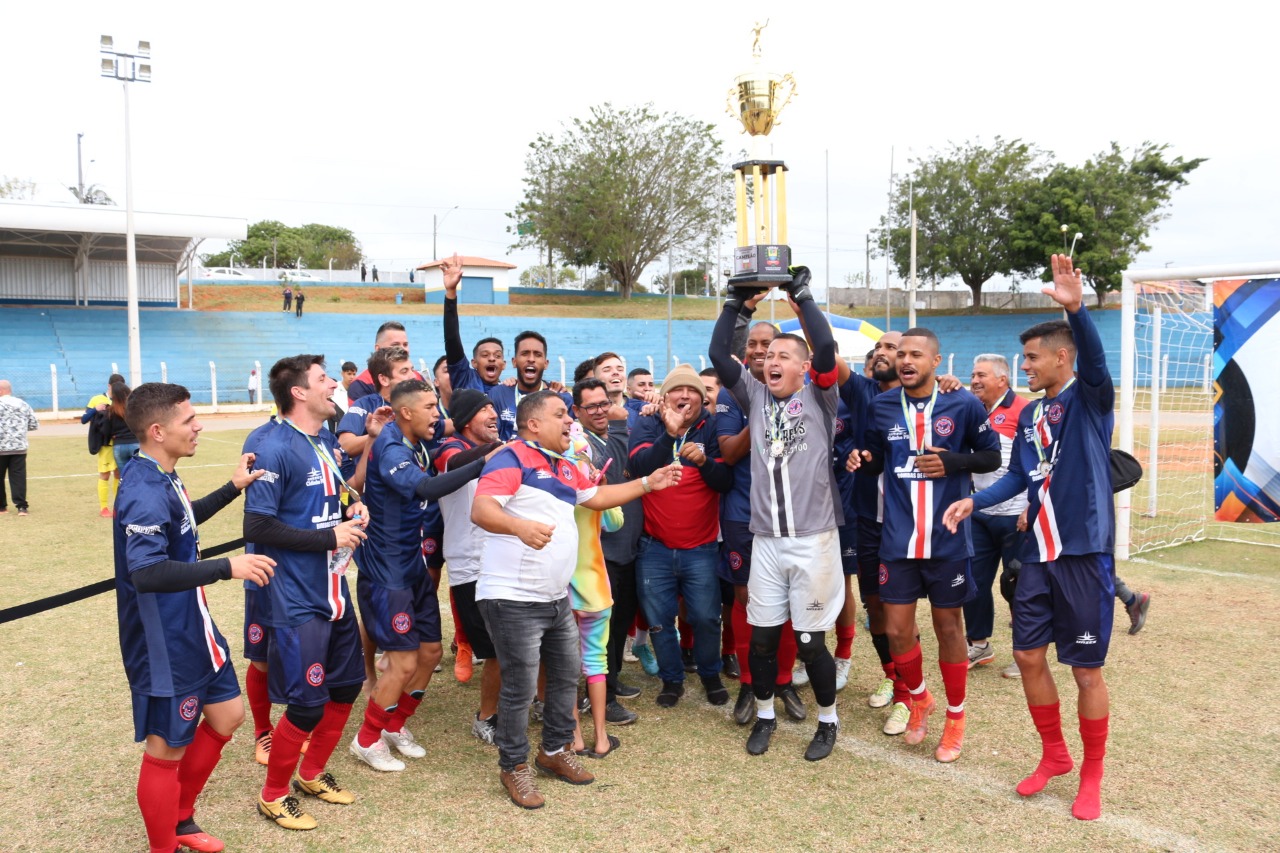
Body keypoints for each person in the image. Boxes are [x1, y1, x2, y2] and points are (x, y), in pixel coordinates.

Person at [943, 255, 1119, 820]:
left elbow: (1094, 360)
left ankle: (1091, 774)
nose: (1026, 368)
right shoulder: (1032, 415)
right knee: (1025, 655)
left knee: (1086, 669)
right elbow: (1020, 475)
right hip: (1037, 552)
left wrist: (1075, 307)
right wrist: (976, 498)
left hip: (1084, 553)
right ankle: (1055, 755)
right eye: (1023, 360)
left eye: (1032, 358)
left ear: (1062, 358)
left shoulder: (1089, 401)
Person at [471, 390, 681, 809]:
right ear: (533, 424)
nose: (571, 421)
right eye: (561, 415)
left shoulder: (565, 466)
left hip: (554, 597)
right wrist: (519, 527)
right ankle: (513, 767)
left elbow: (596, 498)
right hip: (512, 597)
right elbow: (482, 509)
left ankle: (552, 751)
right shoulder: (511, 458)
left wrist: (647, 483)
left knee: (567, 678)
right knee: (520, 687)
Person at [113, 382, 275, 853]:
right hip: (164, 640)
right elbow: (146, 572)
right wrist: (228, 567)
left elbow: (182, 519)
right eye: (189, 420)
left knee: (227, 716)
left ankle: (181, 820)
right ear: (159, 430)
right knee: (166, 748)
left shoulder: (163, 473)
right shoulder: (142, 488)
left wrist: (233, 488)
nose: (199, 425)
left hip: (193, 625)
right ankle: (163, 845)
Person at [709, 269, 847, 761]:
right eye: (767, 357)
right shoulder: (754, 396)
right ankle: (765, 714)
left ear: (804, 368)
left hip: (814, 540)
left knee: (810, 641)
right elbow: (716, 356)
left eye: (783, 356)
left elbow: (826, 349)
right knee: (764, 638)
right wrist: (736, 304)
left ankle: (827, 722)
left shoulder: (821, 396)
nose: (771, 361)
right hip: (765, 540)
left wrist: (802, 296)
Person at [851, 326, 1000, 764]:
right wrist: (863, 460)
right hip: (897, 537)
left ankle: (955, 716)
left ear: (937, 362)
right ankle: (919, 699)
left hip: (947, 538)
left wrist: (953, 461)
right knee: (897, 629)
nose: (906, 360)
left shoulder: (963, 402)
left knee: (948, 627)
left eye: (916, 354)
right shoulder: (881, 405)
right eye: (902, 354)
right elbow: (878, 455)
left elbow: (990, 457)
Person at [244, 355, 369, 832]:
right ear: (299, 392)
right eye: (323, 379)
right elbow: (257, 524)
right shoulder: (273, 445)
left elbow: (326, 501)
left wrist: (353, 511)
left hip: (335, 586)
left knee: (345, 687)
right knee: (307, 702)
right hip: (296, 595)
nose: (334, 383)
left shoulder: (321, 440)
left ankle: (311, 774)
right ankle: (273, 796)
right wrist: (328, 538)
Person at [349, 379, 493, 772]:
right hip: (386, 572)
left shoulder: (412, 438)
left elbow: (454, 429)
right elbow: (425, 487)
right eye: (431, 407)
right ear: (407, 412)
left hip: (411, 564)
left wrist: (494, 446)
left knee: (429, 653)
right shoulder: (392, 447)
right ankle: (366, 740)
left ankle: (394, 725)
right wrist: (485, 462)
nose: (438, 414)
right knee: (403, 663)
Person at [713, 306, 805, 726]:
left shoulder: (804, 397)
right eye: (751, 345)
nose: (759, 352)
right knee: (747, 599)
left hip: (788, 516)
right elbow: (730, 453)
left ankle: (783, 680)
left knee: (787, 601)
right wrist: (760, 412)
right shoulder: (733, 396)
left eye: (768, 346)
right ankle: (750, 681)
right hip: (741, 513)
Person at [628, 364, 732, 709]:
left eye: (692, 391)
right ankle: (671, 680)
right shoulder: (648, 422)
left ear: (703, 400)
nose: (685, 396)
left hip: (700, 548)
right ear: (665, 395)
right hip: (653, 547)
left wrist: (705, 462)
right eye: (677, 390)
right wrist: (669, 436)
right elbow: (641, 467)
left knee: (705, 617)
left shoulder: (714, 426)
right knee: (659, 621)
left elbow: (725, 482)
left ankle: (710, 675)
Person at [435, 390, 504, 741]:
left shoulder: (502, 449)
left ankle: (532, 703)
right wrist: (497, 451)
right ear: (464, 420)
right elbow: (455, 466)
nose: (493, 414)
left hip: (505, 560)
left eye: (494, 407)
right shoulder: (451, 448)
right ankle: (486, 718)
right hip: (470, 567)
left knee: (519, 643)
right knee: (494, 650)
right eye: (484, 409)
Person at [964, 355, 1030, 677]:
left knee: (1018, 584)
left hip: (1017, 515)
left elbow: (1042, 463)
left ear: (1002, 380)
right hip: (979, 512)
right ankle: (978, 643)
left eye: (981, 375)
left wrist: (1032, 504)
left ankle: (1025, 651)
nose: (974, 380)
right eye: (972, 375)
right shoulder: (972, 410)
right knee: (972, 582)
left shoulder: (1024, 411)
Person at [83, 373, 125, 516]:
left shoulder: (123, 400)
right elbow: (84, 419)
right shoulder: (97, 399)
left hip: (120, 443)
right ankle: (103, 507)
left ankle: (117, 506)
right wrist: (96, 409)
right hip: (105, 446)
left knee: (119, 475)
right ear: (109, 386)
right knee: (105, 474)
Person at [347, 322, 414, 401]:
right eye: (395, 345)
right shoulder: (360, 385)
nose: (403, 349)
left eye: (405, 345)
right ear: (378, 349)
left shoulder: (416, 376)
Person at [0, 380, 38, 516]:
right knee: (18, 477)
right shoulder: (23, 404)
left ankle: (2, 507)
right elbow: (33, 424)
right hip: (19, 447)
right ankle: (22, 507)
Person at [108, 382, 141, 473]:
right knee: (139, 475)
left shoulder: (110, 411)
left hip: (118, 445)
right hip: (135, 443)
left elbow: (107, 429)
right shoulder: (135, 408)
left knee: (124, 477)